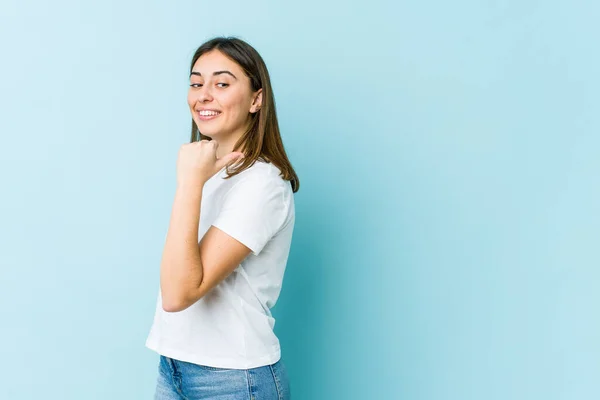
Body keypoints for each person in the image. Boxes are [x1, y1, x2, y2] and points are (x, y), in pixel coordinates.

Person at [145, 36, 299, 400]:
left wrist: (188, 183)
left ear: (256, 100)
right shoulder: (207, 171)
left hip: (232, 379)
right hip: (175, 366)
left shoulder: (262, 183)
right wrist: (195, 180)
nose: (203, 95)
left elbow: (180, 293)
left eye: (222, 83)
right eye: (196, 83)